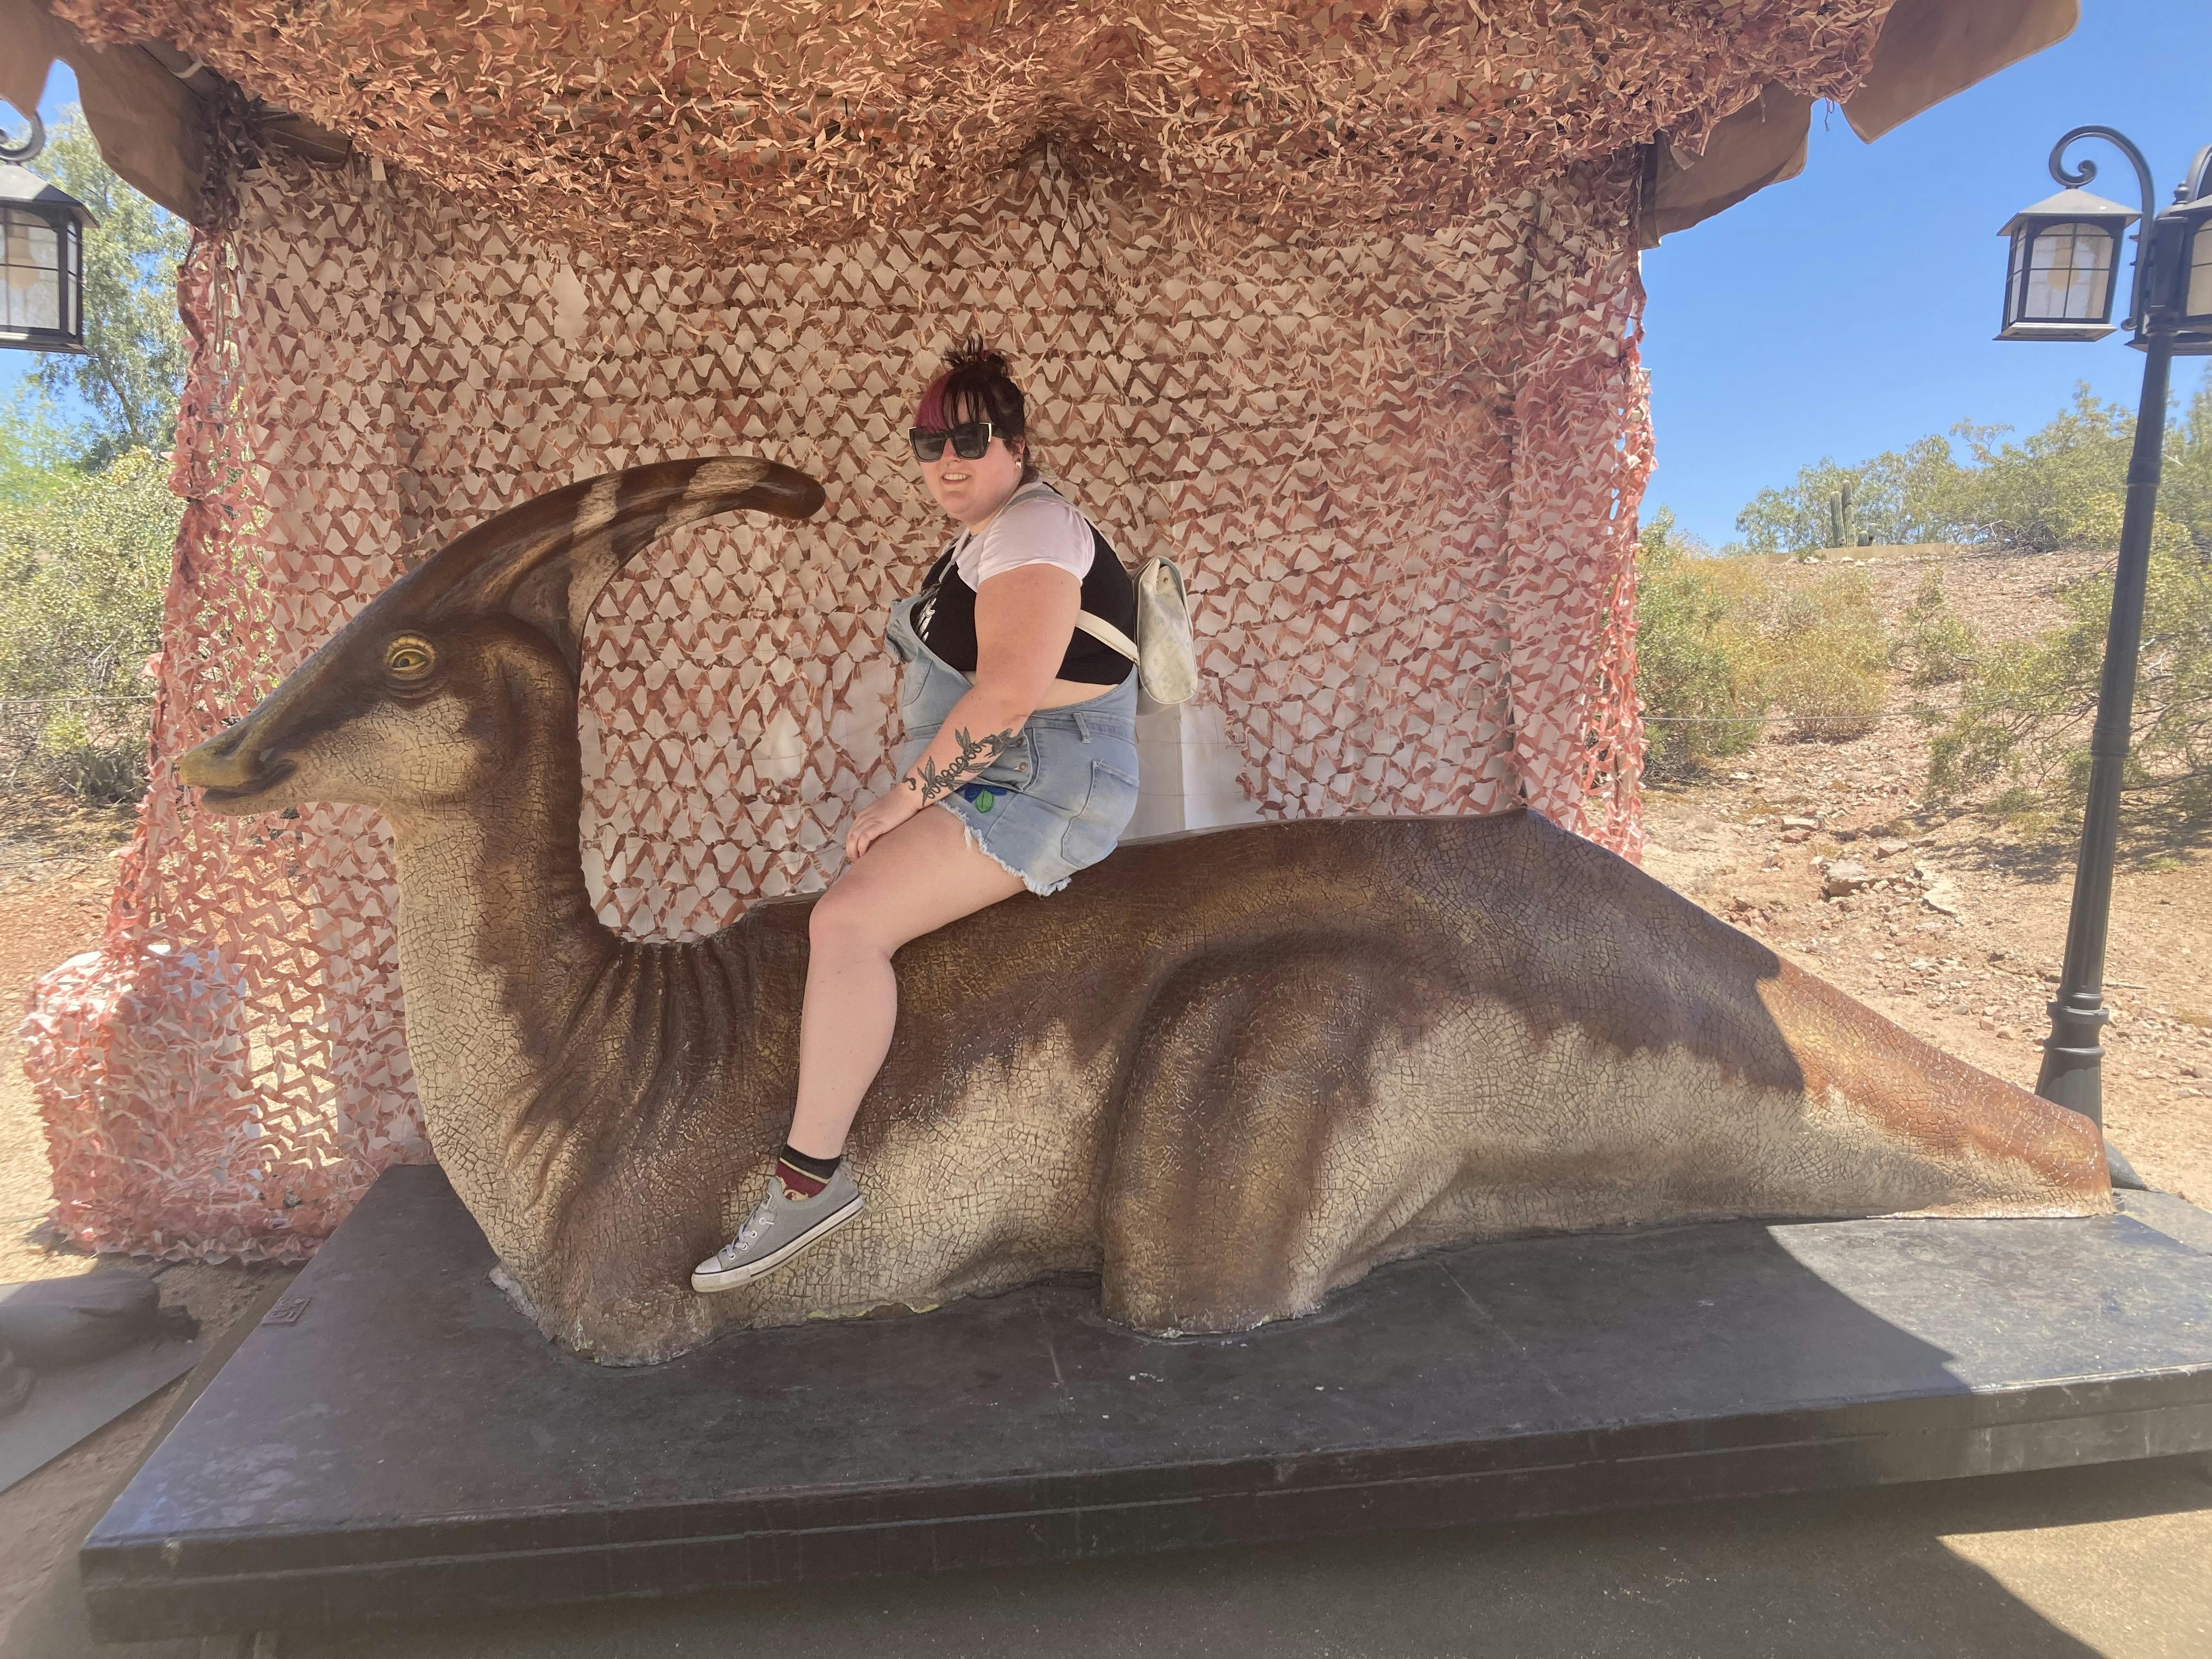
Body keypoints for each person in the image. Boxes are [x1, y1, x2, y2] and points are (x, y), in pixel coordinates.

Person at [691, 341, 1142, 1293]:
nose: (947, 460)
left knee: (848, 921)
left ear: (1016, 446)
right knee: (854, 908)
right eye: (929, 443)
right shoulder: (978, 543)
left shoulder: (1033, 530)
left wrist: (906, 796)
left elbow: (1007, 697)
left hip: (1045, 776)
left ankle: (810, 1182)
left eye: (970, 440)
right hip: (1003, 770)